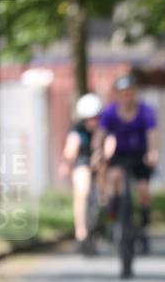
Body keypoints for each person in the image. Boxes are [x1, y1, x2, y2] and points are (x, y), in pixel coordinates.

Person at [94, 74, 159, 253]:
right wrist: (98, 151)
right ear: (117, 94)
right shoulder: (110, 112)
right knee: (114, 179)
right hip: (120, 155)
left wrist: (153, 152)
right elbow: (100, 134)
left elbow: (152, 135)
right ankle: (113, 220)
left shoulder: (146, 111)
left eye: (130, 92)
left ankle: (143, 229)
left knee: (144, 191)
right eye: (123, 93)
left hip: (140, 156)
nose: (127, 96)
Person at [60, 93, 102, 255]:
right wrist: (67, 163)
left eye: (96, 117)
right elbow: (70, 152)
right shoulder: (77, 131)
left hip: (99, 166)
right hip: (82, 163)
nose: (94, 121)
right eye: (90, 118)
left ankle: (100, 223)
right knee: (82, 191)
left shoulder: (102, 129)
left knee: (101, 195)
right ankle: (81, 232)